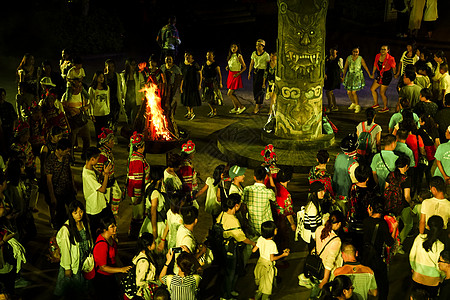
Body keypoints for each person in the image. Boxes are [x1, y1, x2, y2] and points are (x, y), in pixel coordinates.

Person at [218, 194, 256, 300]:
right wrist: (253, 243)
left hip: (222, 246)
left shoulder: (222, 214)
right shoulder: (233, 220)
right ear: (236, 205)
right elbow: (241, 238)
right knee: (231, 272)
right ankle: (226, 296)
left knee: (228, 271)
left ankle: (230, 290)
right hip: (230, 248)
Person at [54, 200, 92, 299]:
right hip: (73, 262)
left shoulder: (84, 223)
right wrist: (67, 268)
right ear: (71, 214)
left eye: (81, 212)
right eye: (75, 213)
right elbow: (66, 250)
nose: (79, 215)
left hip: (83, 260)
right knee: (72, 288)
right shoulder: (66, 229)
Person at [362, 198, 396, 300]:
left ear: (371, 208)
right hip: (378, 258)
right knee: (383, 284)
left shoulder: (365, 221)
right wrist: (394, 229)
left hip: (366, 256)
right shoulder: (383, 224)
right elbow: (390, 242)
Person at [92, 215, 132, 299]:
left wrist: (122, 269)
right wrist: (121, 270)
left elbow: (116, 256)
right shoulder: (102, 245)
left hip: (111, 275)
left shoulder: (111, 239)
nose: (115, 228)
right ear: (105, 229)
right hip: (103, 278)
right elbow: (103, 267)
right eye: (112, 227)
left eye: (115, 225)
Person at [309, 211, 345, 298]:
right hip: (326, 273)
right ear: (338, 224)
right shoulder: (336, 240)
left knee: (315, 290)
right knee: (325, 294)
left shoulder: (319, 229)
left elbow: (318, 243)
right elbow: (329, 262)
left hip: (316, 267)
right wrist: (325, 279)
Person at [252, 220, 289, 300]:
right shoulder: (272, 244)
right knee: (267, 287)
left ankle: (256, 297)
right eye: (275, 229)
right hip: (267, 266)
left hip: (260, 262)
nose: (277, 229)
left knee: (261, 283)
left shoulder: (261, 238)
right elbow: (272, 258)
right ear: (271, 232)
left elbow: (254, 250)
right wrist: (283, 255)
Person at [410, 215, 446, 298]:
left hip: (417, 277)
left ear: (427, 226)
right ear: (442, 227)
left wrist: (413, 267)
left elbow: (412, 256)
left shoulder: (419, 239)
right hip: (433, 281)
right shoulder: (440, 245)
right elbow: (439, 265)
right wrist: (442, 276)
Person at [45, 138, 76, 229]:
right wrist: (52, 196)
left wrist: (73, 185)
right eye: (66, 151)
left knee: (73, 207)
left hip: (68, 188)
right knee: (61, 212)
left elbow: (69, 170)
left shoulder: (66, 157)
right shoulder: (50, 160)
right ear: (60, 150)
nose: (68, 153)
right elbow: (49, 180)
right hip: (57, 191)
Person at [82, 146, 113, 235]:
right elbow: (102, 189)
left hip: (101, 204)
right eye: (97, 159)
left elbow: (99, 178)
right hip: (94, 208)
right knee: (97, 231)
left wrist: (103, 173)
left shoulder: (90, 168)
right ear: (92, 159)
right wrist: (106, 174)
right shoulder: (88, 175)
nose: (99, 161)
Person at [93, 127, 121, 217]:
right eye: (111, 140)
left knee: (117, 194)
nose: (113, 142)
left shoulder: (108, 152)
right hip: (106, 182)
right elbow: (99, 171)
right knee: (106, 202)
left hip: (110, 180)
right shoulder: (102, 155)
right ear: (106, 142)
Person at [127, 132, 150, 239]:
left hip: (138, 192)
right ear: (140, 147)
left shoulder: (137, 157)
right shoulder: (137, 160)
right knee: (138, 215)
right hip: (137, 192)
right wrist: (138, 196)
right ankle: (135, 236)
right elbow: (136, 179)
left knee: (138, 213)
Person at [61, 78, 91, 161]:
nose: (79, 89)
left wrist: (81, 109)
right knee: (71, 141)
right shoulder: (67, 96)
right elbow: (62, 106)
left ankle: (84, 155)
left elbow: (88, 105)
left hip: (82, 121)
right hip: (73, 122)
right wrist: (70, 110)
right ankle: (71, 157)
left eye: (80, 86)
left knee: (87, 138)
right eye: (77, 86)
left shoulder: (82, 95)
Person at [242, 166, 276, 239]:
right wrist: (270, 177)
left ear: (254, 177)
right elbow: (274, 194)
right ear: (265, 177)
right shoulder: (268, 192)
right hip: (266, 228)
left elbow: (244, 207)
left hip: (252, 225)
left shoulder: (247, 189)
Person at [139, 166, 167, 247]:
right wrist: (154, 230)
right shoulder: (155, 193)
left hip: (148, 221)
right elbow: (153, 212)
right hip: (156, 223)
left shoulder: (148, 186)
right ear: (161, 178)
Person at [125, 232, 158, 300]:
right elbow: (139, 281)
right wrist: (151, 284)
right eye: (154, 242)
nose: (155, 243)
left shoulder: (139, 255)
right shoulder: (144, 262)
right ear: (149, 246)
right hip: (141, 294)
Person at [333, 133, 359, 213]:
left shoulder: (338, 157)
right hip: (347, 197)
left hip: (336, 193)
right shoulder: (354, 163)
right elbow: (355, 182)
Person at [342, 46, 371, 113]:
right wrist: (343, 76)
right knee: (348, 92)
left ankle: (357, 105)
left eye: (357, 52)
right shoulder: (349, 58)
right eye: (354, 52)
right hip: (350, 76)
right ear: (352, 52)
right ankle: (353, 103)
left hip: (357, 76)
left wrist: (369, 74)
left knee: (353, 92)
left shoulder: (360, 58)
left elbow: (365, 66)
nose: (355, 53)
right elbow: (345, 67)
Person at [299, 181, 325, 251]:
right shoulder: (312, 207)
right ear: (314, 193)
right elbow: (312, 225)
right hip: (312, 236)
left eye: (323, 190)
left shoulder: (316, 202)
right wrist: (315, 238)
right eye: (320, 191)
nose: (323, 193)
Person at [370, 45, 396, 113]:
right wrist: (373, 73)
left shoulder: (390, 58)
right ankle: (376, 104)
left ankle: (385, 107)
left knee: (382, 93)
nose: (382, 51)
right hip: (379, 75)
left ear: (388, 50)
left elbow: (393, 67)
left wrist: (395, 74)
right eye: (381, 49)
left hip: (386, 76)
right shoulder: (377, 56)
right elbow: (375, 64)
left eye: (384, 49)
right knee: (372, 89)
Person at [416, 114, 439, 190]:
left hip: (426, 152)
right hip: (432, 151)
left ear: (423, 122)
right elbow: (437, 141)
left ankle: (419, 188)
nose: (419, 122)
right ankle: (430, 186)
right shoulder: (434, 129)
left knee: (421, 171)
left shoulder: (420, 131)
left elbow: (421, 144)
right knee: (428, 170)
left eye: (420, 121)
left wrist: (423, 154)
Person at [121, 58, 145, 126]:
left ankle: (134, 133)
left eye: (135, 65)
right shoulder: (123, 75)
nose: (133, 66)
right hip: (126, 101)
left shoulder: (139, 75)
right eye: (132, 65)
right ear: (128, 65)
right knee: (128, 119)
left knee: (133, 118)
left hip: (136, 101)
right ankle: (131, 134)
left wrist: (143, 99)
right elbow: (120, 89)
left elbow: (143, 87)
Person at [248, 39, 270, 114]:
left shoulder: (266, 55)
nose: (257, 47)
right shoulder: (254, 53)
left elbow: (267, 66)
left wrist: (265, 78)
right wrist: (249, 73)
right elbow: (251, 63)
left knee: (261, 89)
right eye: (256, 45)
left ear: (263, 46)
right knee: (255, 88)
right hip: (255, 71)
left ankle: (257, 106)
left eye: (259, 46)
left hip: (262, 72)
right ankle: (259, 103)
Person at [88, 71, 110, 140]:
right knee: (98, 132)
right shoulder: (92, 89)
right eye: (100, 77)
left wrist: (108, 110)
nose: (101, 78)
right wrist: (91, 113)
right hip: (96, 113)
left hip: (105, 112)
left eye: (103, 77)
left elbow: (108, 100)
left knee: (105, 132)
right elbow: (90, 102)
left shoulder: (106, 88)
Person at [180, 51, 202, 120]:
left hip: (193, 84)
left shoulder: (194, 64)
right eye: (186, 55)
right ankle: (188, 112)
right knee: (185, 98)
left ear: (191, 56)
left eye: (189, 55)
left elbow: (200, 73)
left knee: (191, 99)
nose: (187, 56)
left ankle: (191, 112)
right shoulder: (182, 64)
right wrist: (180, 86)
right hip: (185, 84)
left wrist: (199, 84)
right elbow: (181, 75)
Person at [226, 43, 246, 114]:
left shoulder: (239, 56)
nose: (233, 48)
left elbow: (244, 67)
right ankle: (236, 107)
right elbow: (231, 64)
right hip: (230, 75)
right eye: (232, 47)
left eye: (235, 47)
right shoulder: (230, 56)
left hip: (236, 75)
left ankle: (241, 106)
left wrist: (238, 73)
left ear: (237, 48)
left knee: (229, 93)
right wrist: (227, 67)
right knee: (231, 93)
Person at [201, 50, 223, 118]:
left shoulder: (215, 64)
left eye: (210, 55)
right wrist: (202, 78)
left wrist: (220, 83)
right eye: (207, 55)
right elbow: (201, 72)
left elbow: (219, 75)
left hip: (213, 82)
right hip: (206, 82)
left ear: (213, 56)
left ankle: (214, 111)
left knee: (213, 97)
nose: (208, 56)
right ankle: (212, 110)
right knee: (207, 97)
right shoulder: (204, 64)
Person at [104, 59, 122, 132]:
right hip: (107, 101)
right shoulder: (104, 77)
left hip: (115, 100)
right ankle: (108, 134)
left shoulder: (117, 76)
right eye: (109, 66)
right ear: (106, 67)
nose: (111, 68)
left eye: (112, 66)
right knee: (108, 119)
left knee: (115, 119)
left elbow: (120, 88)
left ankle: (113, 134)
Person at [324, 46, 343, 113]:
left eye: (334, 50)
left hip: (335, 77)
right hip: (328, 76)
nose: (332, 51)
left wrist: (341, 77)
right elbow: (324, 66)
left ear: (336, 51)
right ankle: (335, 106)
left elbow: (341, 69)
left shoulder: (339, 59)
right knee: (330, 92)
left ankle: (329, 106)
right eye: (331, 50)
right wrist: (324, 74)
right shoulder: (327, 58)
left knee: (328, 92)